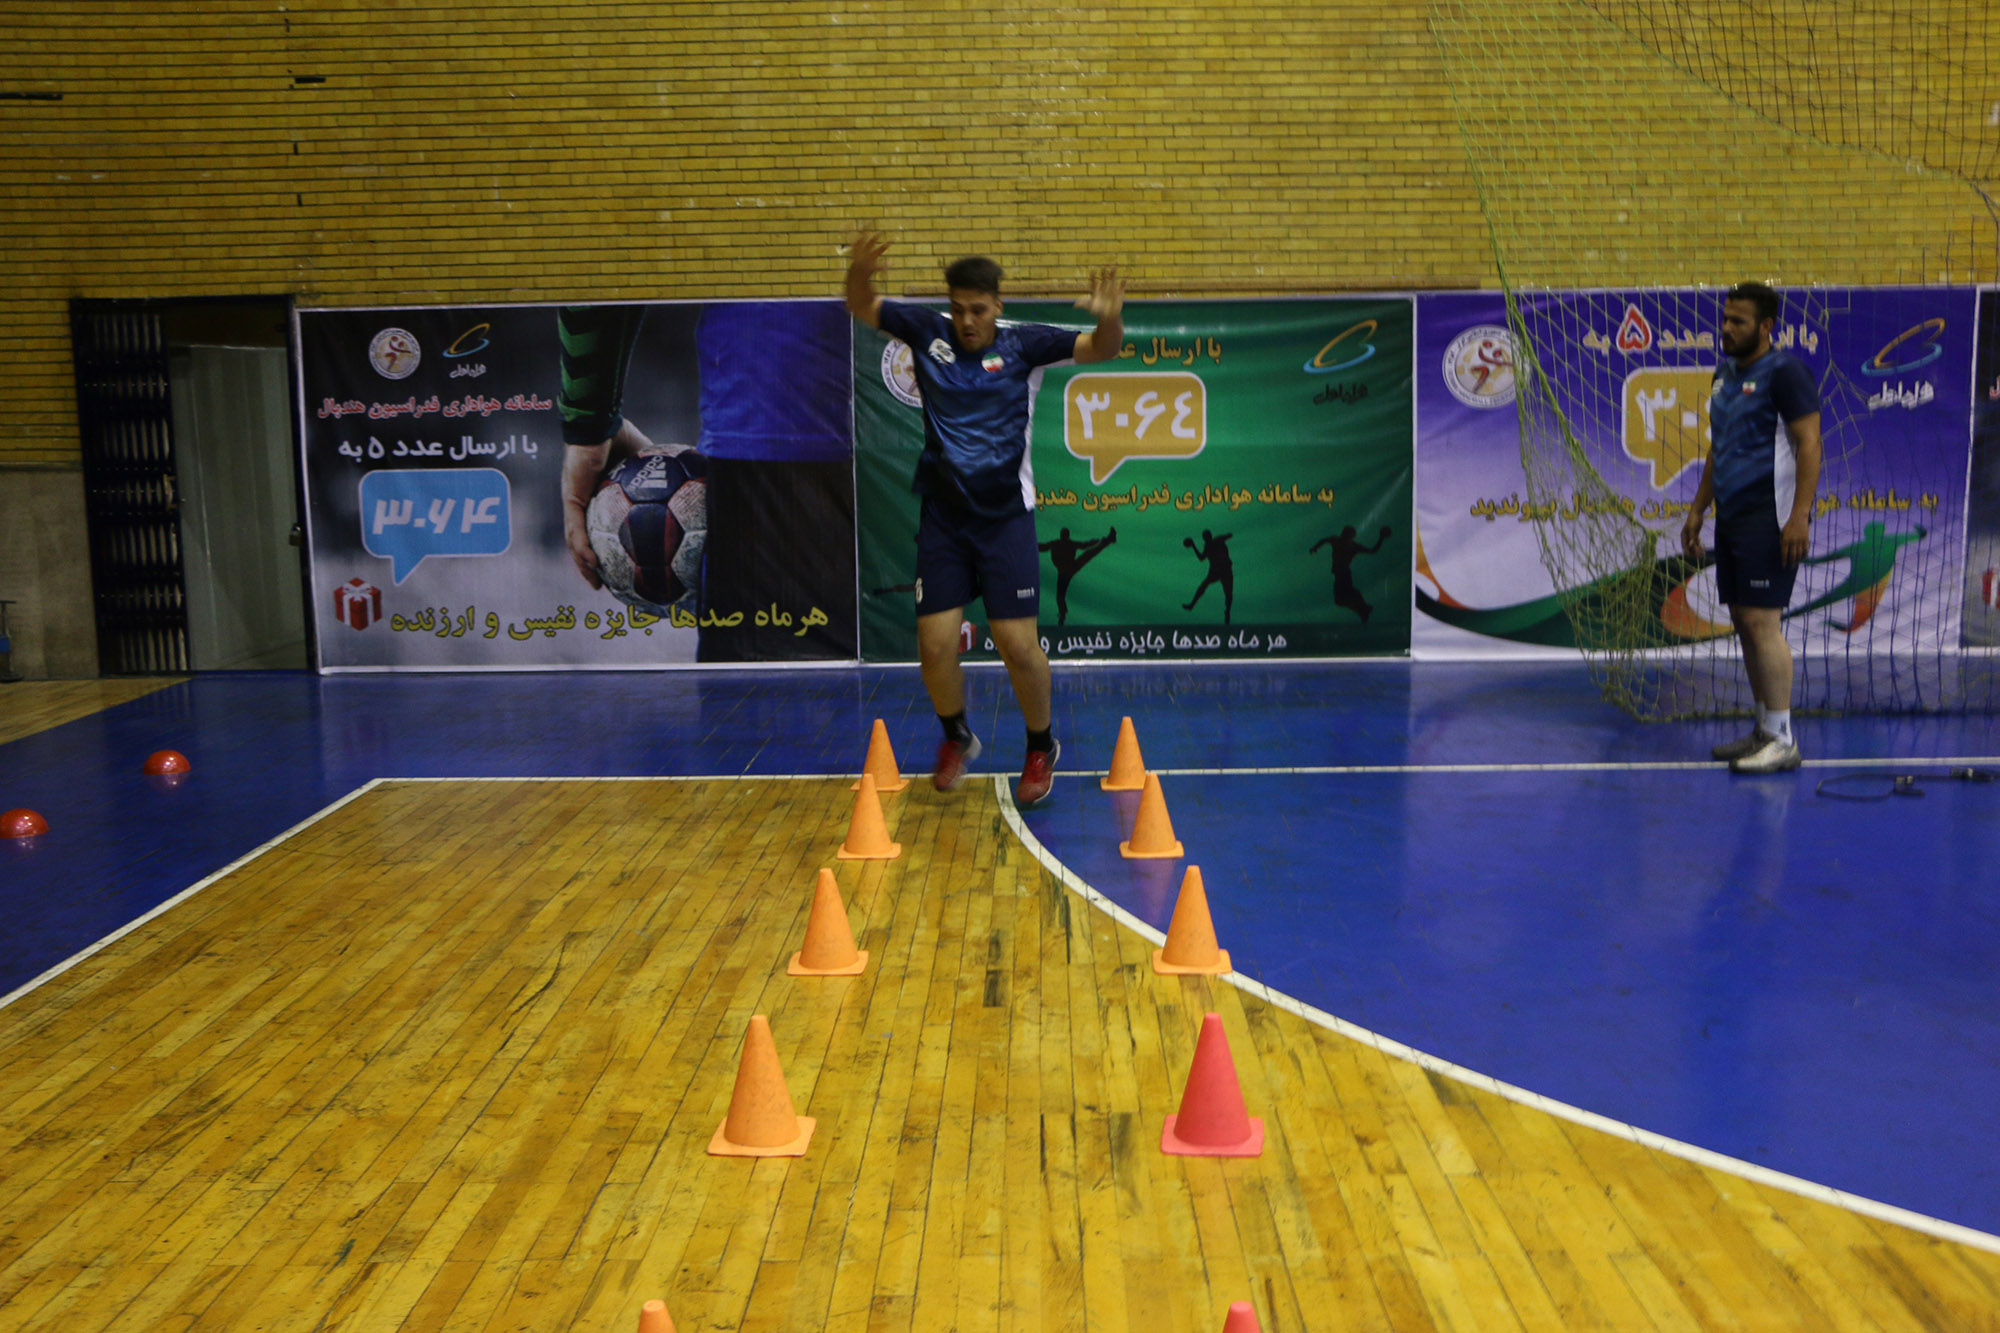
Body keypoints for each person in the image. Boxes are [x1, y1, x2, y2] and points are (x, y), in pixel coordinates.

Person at [845, 231, 1125, 805]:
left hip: (1005, 520)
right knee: (934, 647)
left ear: (997, 304)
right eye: (958, 309)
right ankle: (957, 736)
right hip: (944, 521)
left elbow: (1102, 348)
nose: (967, 320)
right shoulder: (928, 333)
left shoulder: (1026, 345)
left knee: (1018, 646)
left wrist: (1110, 318)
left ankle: (1041, 746)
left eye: (977, 309)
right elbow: (860, 303)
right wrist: (861, 274)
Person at [1681, 282, 1823, 774]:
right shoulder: (1723, 374)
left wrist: (1799, 516)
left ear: (1765, 327)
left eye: (1737, 321)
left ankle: (1783, 739)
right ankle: (1764, 728)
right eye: (1725, 318)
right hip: (1732, 519)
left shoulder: (1785, 372)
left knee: (1763, 624)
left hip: (1771, 518)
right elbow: (1719, 447)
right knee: (1743, 621)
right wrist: (1698, 509)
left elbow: (1810, 443)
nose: (1726, 328)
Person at [1310, 524, 1393, 622]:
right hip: (1340, 573)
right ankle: (1362, 609)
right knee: (1342, 599)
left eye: (1348, 534)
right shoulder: (1339, 541)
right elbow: (1324, 540)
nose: (1346, 536)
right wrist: (1315, 547)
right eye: (1346, 534)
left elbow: (1372, 550)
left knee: (1344, 597)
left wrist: (1381, 538)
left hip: (1343, 573)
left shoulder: (1349, 545)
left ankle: (1363, 608)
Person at [1038, 526, 1116, 625]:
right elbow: (1084, 545)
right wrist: (1096, 542)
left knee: (1060, 595)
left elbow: (1042, 547)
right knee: (1088, 554)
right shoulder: (1064, 543)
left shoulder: (1058, 543)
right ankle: (1062, 615)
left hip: (1067, 570)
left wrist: (1095, 542)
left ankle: (1062, 615)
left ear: (1062, 535)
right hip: (1068, 569)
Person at [1183, 529, 1234, 622]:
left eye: (1207, 537)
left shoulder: (1217, 541)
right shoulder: (1208, 546)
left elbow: (1228, 536)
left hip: (1225, 569)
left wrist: (1225, 536)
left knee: (1228, 593)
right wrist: (1193, 546)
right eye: (1205, 538)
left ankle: (1228, 611)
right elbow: (1201, 558)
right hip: (1216, 571)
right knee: (1204, 585)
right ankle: (1192, 604)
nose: (1206, 539)